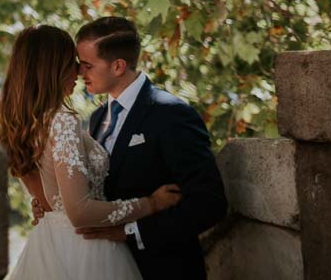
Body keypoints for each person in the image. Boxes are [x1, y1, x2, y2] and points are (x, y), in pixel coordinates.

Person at [0, 25, 182, 279]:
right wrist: (150, 204)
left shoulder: (24, 125)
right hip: (86, 250)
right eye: (71, 62)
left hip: (50, 245)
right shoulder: (61, 121)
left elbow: (48, 199)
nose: (78, 70)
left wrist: (44, 207)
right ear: (52, 68)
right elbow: (79, 211)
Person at [68, 16, 228, 279]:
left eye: (87, 65)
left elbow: (209, 203)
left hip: (164, 269)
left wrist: (130, 232)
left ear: (118, 66)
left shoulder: (170, 113)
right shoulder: (97, 118)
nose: (79, 73)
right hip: (107, 267)